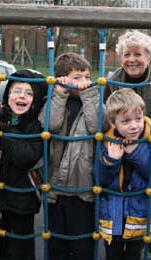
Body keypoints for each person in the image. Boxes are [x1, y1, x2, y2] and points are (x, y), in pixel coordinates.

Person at [104, 30, 151, 259]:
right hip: (118, 155)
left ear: (149, 57)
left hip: (147, 153)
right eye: (127, 54)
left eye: (138, 54)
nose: (132, 59)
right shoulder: (113, 81)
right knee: (119, 209)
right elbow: (105, 118)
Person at [38, 52, 108, 260]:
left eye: (87, 76)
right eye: (77, 78)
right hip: (56, 190)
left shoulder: (93, 99)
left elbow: (99, 125)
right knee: (56, 244)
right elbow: (50, 124)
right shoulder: (55, 99)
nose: (84, 82)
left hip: (84, 188)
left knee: (82, 246)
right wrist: (59, 92)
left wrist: (89, 94)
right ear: (63, 79)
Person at [0, 69, 47, 260]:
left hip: (22, 197)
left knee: (20, 246)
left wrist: (5, 132)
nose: (22, 96)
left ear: (36, 100)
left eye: (29, 93)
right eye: (16, 91)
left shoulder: (35, 126)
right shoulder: (1, 116)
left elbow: (26, 157)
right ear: (8, 95)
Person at [96, 88, 151, 260]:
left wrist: (136, 151)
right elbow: (99, 179)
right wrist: (111, 161)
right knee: (113, 255)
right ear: (113, 123)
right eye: (125, 121)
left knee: (134, 254)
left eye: (138, 119)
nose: (134, 125)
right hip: (113, 215)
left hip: (140, 214)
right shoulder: (106, 140)